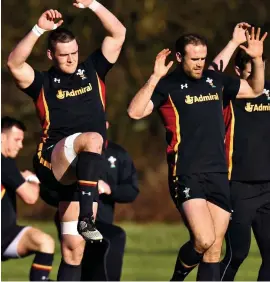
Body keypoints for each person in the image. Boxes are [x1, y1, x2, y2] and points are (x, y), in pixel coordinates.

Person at [127, 26, 266, 281]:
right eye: (194, 59)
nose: (200, 64)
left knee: (214, 250)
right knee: (203, 239)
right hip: (186, 172)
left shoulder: (216, 81)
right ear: (180, 58)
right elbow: (135, 112)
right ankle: (177, 278)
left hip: (218, 173)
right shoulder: (168, 85)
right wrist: (155, 77)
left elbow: (255, 89)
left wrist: (255, 58)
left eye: (203, 58)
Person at [7, 0, 126, 280]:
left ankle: (82, 223)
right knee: (93, 139)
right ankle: (86, 219)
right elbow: (13, 63)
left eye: (74, 52)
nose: (71, 58)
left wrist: (94, 4)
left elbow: (118, 33)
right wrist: (38, 28)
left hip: (81, 172)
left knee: (74, 251)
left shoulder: (93, 70)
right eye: (64, 55)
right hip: (52, 160)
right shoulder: (43, 83)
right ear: (51, 55)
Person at [210, 24, 270, 281]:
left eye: (261, 66)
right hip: (238, 186)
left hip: (268, 186)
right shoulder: (229, 93)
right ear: (237, 71)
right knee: (238, 253)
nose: (258, 73)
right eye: (251, 68)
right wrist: (234, 42)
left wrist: (257, 59)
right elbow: (209, 74)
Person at [48, 135, 139, 281]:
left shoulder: (119, 154)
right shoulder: (69, 149)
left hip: (102, 223)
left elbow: (132, 191)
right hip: (74, 216)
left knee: (111, 239)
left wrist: (111, 190)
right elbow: (48, 191)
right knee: (106, 242)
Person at [1, 116, 55, 281]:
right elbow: (30, 197)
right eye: (17, 139)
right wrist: (32, 179)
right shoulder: (5, 163)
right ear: (2, 137)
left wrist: (19, 177)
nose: (21, 145)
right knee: (45, 243)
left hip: (7, 235)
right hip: (4, 236)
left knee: (44, 242)